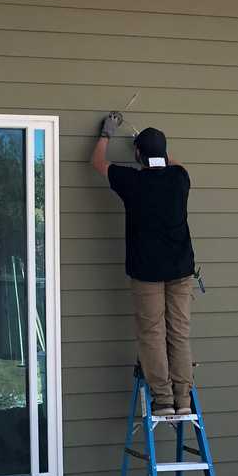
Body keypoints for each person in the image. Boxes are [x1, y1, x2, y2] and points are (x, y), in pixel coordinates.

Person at [91, 112, 196, 417]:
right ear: (163, 153)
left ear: (137, 154)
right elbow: (176, 164)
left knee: (152, 333)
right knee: (179, 333)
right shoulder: (180, 179)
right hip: (180, 271)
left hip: (147, 273)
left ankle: (163, 401)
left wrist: (106, 134)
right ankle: (184, 398)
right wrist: (155, 150)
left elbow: (97, 163)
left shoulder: (132, 181)